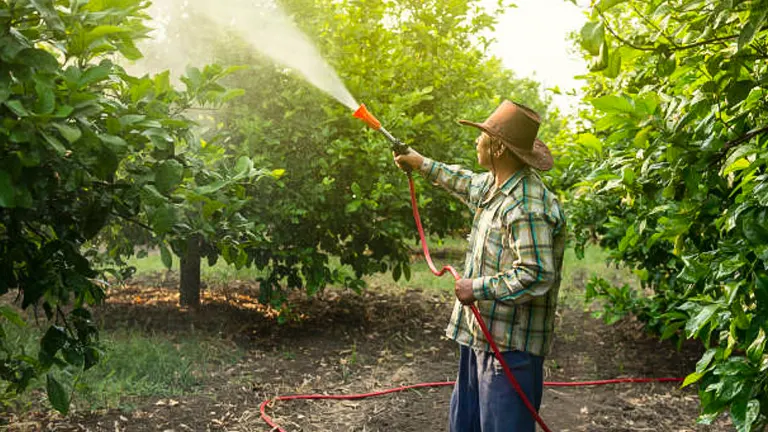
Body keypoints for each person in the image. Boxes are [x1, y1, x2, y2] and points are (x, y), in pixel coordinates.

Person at [394, 100, 566, 432]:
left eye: (483, 135)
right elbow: (462, 180)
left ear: (498, 147)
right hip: (480, 338)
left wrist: (477, 287)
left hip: (510, 350)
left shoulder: (525, 205)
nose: (477, 141)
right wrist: (418, 162)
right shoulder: (495, 184)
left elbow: (537, 273)